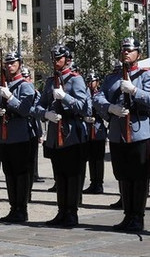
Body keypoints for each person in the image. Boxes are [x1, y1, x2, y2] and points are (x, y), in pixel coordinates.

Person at [94, 38, 150, 232]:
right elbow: (98, 97)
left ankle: (138, 217)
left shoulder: (145, 76)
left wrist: (135, 91)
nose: (126, 52)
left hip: (139, 132)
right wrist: (110, 107)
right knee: (123, 175)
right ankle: (128, 215)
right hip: (118, 132)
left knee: (139, 176)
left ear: (138, 54)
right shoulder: (112, 78)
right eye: (123, 50)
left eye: (130, 50)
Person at [33, 44, 89, 228]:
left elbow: (83, 107)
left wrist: (65, 97)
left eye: (59, 58)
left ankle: (72, 213)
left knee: (72, 175)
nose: (55, 61)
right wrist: (45, 114)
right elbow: (39, 106)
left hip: (71, 134)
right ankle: (61, 211)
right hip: (55, 134)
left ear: (67, 59)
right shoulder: (51, 81)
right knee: (59, 175)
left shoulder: (76, 79)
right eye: (54, 58)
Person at [0, 51, 37, 223]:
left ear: (19, 64)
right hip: (3, 135)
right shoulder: (1, 85)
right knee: (8, 172)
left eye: (13, 63)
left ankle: (22, 209)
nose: (9, 66)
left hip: (19, 134)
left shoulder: (25, 86)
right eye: (7, 63)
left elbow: (25, 110)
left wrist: (10, 98)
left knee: (20, 173)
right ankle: (13, 207)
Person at [82, 72, 106, 195]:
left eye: (93, 81)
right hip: (87, 129)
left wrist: (98, 115)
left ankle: (99, 184)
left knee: (98, 159)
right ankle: (93, 183)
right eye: (89, 81)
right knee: (91, 158)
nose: (90, 84)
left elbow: (105, 111)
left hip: (98, 129)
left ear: (97, 82)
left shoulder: (100, 94)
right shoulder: (86, 94)